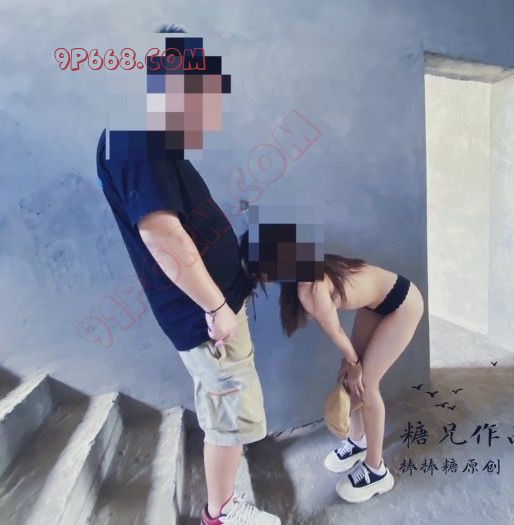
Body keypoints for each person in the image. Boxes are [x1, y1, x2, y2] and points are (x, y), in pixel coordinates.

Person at [96, 28, 280, 525]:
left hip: (216, 308)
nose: (208, 109)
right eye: (202, 92)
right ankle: (219, 512)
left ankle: (222, 506)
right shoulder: (134, 139)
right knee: (228, 413)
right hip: (205, 317)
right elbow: (162, 235)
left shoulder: (151, 140)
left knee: (231, 406)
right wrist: (216, 307)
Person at [240, 230, 425, 503]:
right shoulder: (305, 267)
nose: (259, 278)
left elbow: (336, 331)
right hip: (375, 304)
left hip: (403, 304)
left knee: (366, 385)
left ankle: (377, 471)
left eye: (258, 269)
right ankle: (358, 442)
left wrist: (354, 363)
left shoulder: (310, 289)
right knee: (349, 380)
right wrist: (350, 364)